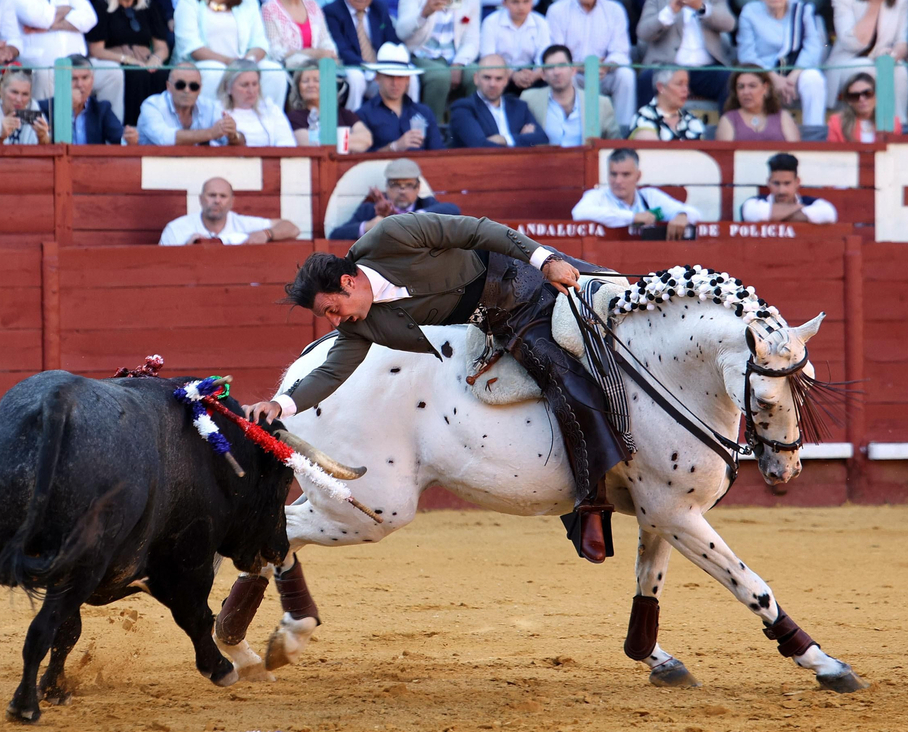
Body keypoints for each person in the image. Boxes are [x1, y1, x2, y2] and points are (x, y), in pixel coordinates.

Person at [245, 212, 624, 563]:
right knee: (566, 377)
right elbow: (330, 373)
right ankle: (591, 503)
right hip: (505, 322)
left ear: (347, 282)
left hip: (521, 275)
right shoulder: (360, 323)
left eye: (332, 309)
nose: (333, 320)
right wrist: (282, 405)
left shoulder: (391, 236)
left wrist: (544, 260)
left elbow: (479, 230)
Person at [173, 0, 287, 103]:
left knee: (273, 71)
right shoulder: (189, 1)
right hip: (204, 66)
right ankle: (214, 124)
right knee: (216, 71)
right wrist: (231, 64)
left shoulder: (249, 2)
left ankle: (267, 121)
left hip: (243, 64)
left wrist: (248, 62)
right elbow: (191, 47)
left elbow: (260, 43)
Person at [637, 0, 735, 107]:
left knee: (730, 80)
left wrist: (701, 7)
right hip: (667, 67)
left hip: (705, 69)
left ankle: (728, 130)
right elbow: (643, 33)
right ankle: (644, 130)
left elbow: (729, 23)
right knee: (647, 78)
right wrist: (670, 11)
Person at [825, 0, 908, 120]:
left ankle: (899, 124)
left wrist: (893, 55)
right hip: (848, 62)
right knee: (867, 67)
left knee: (899, 68)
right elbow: (853, 43)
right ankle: (880, 123)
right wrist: (874, 3)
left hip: (883, 59)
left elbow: (903, 41)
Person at [6, 0, 97, 101]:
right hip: (38, 64)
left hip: (78, 64)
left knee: (112, 73)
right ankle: (45, 127)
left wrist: (48, 25)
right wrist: (68, 10)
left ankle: (107, 125)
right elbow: (37, 17)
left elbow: (90, 18)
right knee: (45, 73)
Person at [396, 0, 480, 119]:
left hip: (453, 57)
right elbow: (401, 32)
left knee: (478, 74)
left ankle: (470, 128)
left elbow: (472, 41)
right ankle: (434, 132)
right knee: (441, 77)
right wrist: (424, 13)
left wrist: (459, 63)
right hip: (420, 54)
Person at [547, 0, 634, 129]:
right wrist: (580, 67)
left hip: (604, 74)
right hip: (573, 74)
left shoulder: (615, 10)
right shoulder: (557, 10)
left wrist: (606, 66)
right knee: (564, 75)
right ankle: (570, 131)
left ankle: (623, 131)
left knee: (626, 76)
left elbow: (621, 52)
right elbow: (554, 54)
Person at [736, 0, 826, 127]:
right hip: (762, 73)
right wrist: (773, 78)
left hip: (796, 74)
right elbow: (747, 55)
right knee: (753, 84)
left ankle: (814, 135)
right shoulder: (749, 13)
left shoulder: (802, 11)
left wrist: (792, 77)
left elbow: (813, 47)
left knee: (814, 79)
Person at [87, 0, 169, 124]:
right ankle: (131, 131)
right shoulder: (102, 6)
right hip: (117, 62)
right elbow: (96, 50)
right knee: (136, 75)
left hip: (144, 62)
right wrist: (126, 59)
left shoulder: (150, 7)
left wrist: (155, 58)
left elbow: (162, 46)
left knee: (162, 74)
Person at [323, 0, 399, 105]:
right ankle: (354, 120)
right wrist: (371, 69)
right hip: (350, 67)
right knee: (356, 77)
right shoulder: (331, 12)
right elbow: (341, 49)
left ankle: (407, 119)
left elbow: (392, 41)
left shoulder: (379, 8)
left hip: (380, 69)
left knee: (410, 78)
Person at [328, 157, 460, 239]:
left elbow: (454, 210)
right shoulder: (369, 210)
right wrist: (368, 226)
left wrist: (416, 216)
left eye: (408, 185)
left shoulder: (426, 205)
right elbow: (336, 235)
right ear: (387, 187)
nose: (402, 191)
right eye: (396, 185)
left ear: (418, 188)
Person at [571, 147, 697, 232]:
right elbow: (579, 213)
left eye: (626, 175)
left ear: (638, 176)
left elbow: (695, 213)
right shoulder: (597, 196)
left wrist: (682, 215)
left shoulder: (650, 196)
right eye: (613, 174)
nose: (618, 181)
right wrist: (633, 217)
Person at [356, 41, 446, 150]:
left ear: (408, 79)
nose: (395, 83)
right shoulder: (364, 115)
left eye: (400, 77)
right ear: (377, 78)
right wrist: (394, 147)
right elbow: (361, 160)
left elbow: (438, 153)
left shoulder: (424, 112)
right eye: (389, 76)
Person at [520, 43, 617, 143]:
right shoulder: (529, 99)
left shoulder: (601, 103)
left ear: (573, 70)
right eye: (550, 67)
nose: (556, 72)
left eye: (562, 65)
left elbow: (615, 143)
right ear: (543, 75)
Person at [159, 176, 298, 245]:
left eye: (223, 196)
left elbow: (293, 228)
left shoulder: (243, 223)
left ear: (232, 201)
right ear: (201, 199)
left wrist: (267, 233)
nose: (217, 200)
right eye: (212, 195)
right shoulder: (176, 229)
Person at [447, 53, 547, 146]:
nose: (492, 84)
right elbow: (480, 146)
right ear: (476, 78)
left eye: (498, 79)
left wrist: (504, 139)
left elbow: (542, 138)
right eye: (487, 78)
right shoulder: (463, 108)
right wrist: (522, 139)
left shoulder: (519, 106)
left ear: (506, 80)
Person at [37, 55, 137, 143]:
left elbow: (120, 139)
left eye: (85, 78)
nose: (80, 85)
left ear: (92, 80)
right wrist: (65, 107)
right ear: (61, 82)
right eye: (73, 79)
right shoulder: (45, 107)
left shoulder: (101, 109)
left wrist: (129, 139)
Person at [479, 0, 547, 92]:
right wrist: (513, 75)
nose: (521, 7)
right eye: (515, 2)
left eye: (526, 1)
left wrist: (534, 75)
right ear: (504, 3)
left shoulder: (541, 22)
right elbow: (488, 58)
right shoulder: (491, 22)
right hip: (500, 75)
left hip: (531, 76)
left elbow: (544, 57)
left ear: (532, 1)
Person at [284, 63, 372, 149]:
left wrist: (323, 140)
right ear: (298, 88)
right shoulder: (294, 117)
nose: (311, 85)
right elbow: (307, 143)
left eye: (317, 80)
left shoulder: (344, 114)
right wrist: (346, 141)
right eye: (305, 81)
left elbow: (366, 139)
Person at [738, 153, 838, 224]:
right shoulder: (754, 202)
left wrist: (774, 215)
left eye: (787, 183)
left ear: (797, 182)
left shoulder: (813, 202)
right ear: (768, 182)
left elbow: (829, 213)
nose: (781, 190)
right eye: (776, 183)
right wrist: (799, 207)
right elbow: (751, 213)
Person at [217, 57, 296, 145]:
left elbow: (287, 143)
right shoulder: (217, 111)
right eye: (244, 85)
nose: (251, 90)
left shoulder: (270, 109)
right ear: (228, 87)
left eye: (255, 84)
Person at [716, 66, 799, 140]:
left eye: (752, 86)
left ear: (765, 88)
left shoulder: (783, 117)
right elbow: (725, 155)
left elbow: (796, 152)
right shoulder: (728, 119)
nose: (746, 92)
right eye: (741, 87)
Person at [0, 68, 51, 143]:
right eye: (14, 92)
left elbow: (46, 150)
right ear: (1, 91)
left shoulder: (32, 107)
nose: (19, 99)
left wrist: (42, 137)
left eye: (25, 94)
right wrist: (1, 137)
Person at [630, 68, 705, 139]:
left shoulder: (692, 120)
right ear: (661, 87)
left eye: (686, 85)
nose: (686, 90)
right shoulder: (644, 117)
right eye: (679, 84)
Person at [826, 71, 901, 140]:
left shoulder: (892, 123)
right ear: (849, 101)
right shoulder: (837, 123)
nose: (862, 99)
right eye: (855, 96)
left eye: (868, 93)